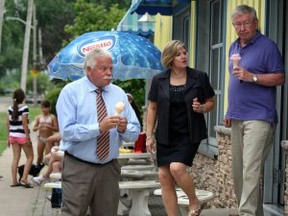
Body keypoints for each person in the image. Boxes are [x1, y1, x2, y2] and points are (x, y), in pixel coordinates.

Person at [56, 48, 140, 216]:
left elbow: (135, 131)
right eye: (104, 68)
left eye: (111, 68)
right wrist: (99, 128)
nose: (109, 73)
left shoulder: (119, 93)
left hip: (109, 168)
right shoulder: (71, 92)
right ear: (88, 70)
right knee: (73, 212)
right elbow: (67, 132)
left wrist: (124, 128)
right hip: (78, 167)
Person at [224, 5, 285, 216]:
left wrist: (253, 77)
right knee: (240, 173)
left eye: (246, 23)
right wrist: (229, 110)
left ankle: (246, 214)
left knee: (251, 170)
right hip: (237, 116)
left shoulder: (268, 46)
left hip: (259, 117)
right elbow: (233, 81)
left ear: (255, 23)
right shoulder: (234, 47)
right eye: (237, 24)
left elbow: (280, 77)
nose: (242, 28)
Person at [146, 40, 215, 216]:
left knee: (176, 168)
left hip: (189, 132)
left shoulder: (199, 77)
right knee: (164, 178)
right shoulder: (158, 80)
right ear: (170, 58)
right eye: (178, 54)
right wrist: (149, 136)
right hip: (165, 134)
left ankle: (194, 200)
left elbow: (211, 102)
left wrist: (202, 108)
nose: (183, 56)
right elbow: (153, 108)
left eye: (184, 52)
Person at [6, 88, 34, 188]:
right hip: (22, 136)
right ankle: (24, 178)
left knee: (15, 158)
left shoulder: (10, 108)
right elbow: (24, 123)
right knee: (30, 157)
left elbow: (7, 123)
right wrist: (28, 138)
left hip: (13, 136)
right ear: (23, 97)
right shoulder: (24, 108)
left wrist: (8, 137)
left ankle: (14, 181)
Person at [33, 100, 58, 165]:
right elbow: (34, 129)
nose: (43, 109)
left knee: (47, 157)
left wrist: (49, 126)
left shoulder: (52, 117)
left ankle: (47, 172)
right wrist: (39, 127)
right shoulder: (39, 117)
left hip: (49, 139)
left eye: (45, 107)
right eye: (42, 107)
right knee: (39, 156)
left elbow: (56, 129)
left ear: (49, 108)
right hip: (41, 138)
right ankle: (37, 171)